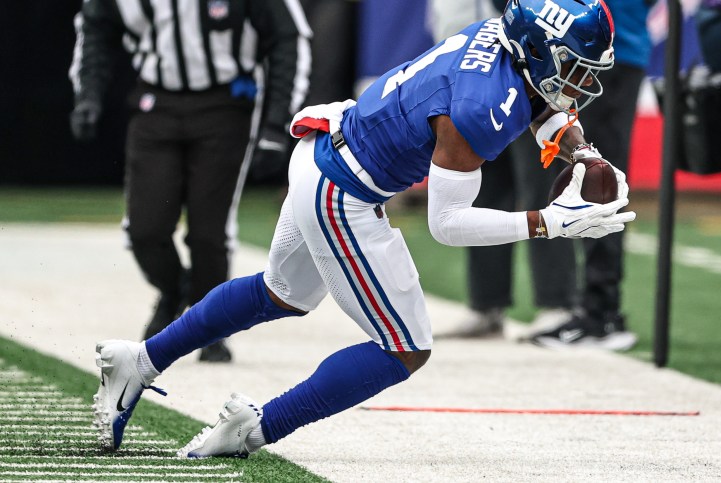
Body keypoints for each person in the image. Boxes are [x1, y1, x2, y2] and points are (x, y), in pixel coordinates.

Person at [92, 0, 635, 457]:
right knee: (404, 348)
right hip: (344, 190)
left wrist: (583, 152)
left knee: (279, 293)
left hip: (326, 150)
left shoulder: (501, 39)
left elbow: (544, 100)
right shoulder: (478, 108)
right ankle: (254, 428)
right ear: (538, 51)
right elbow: (446, 223)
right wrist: (550, 224)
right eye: (577, 66)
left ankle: (139, 359)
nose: (585, 82)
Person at [69, 0, 311, 361]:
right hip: (156, 103)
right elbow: (96, 27)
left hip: (225, 104)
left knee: (208, 233)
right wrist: (88, 93)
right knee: (144, 231)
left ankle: (210, 324)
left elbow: (289, 37)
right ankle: (174, 290)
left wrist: (276, 124)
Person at [430, 0, 578, 340]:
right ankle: (485, 303)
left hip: (526, 63)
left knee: (540, 182)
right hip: (467, 67)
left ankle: (557, 303)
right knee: (483, 188)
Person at [530, 0, 653, 350]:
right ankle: (593, 307)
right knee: (584, 175)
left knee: (599, 179)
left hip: (610, 50)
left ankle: (603, 312)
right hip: (576, 49)